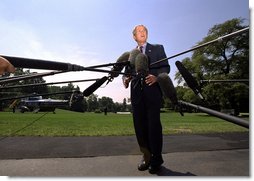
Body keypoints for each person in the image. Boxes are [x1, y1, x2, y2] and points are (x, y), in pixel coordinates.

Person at [123, 25, 170, 174]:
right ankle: (146, 156)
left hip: (153, 92)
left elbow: (165, 67)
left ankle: (157, 159)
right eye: (139, 31)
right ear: (134, 37)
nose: (142, 33)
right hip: (136, 94)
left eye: (144, 31)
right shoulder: (131, 54)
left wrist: (157, 77)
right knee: (140, 126)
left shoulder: (158, 48)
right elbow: (126, 73)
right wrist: (125, 79)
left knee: (154, 126)